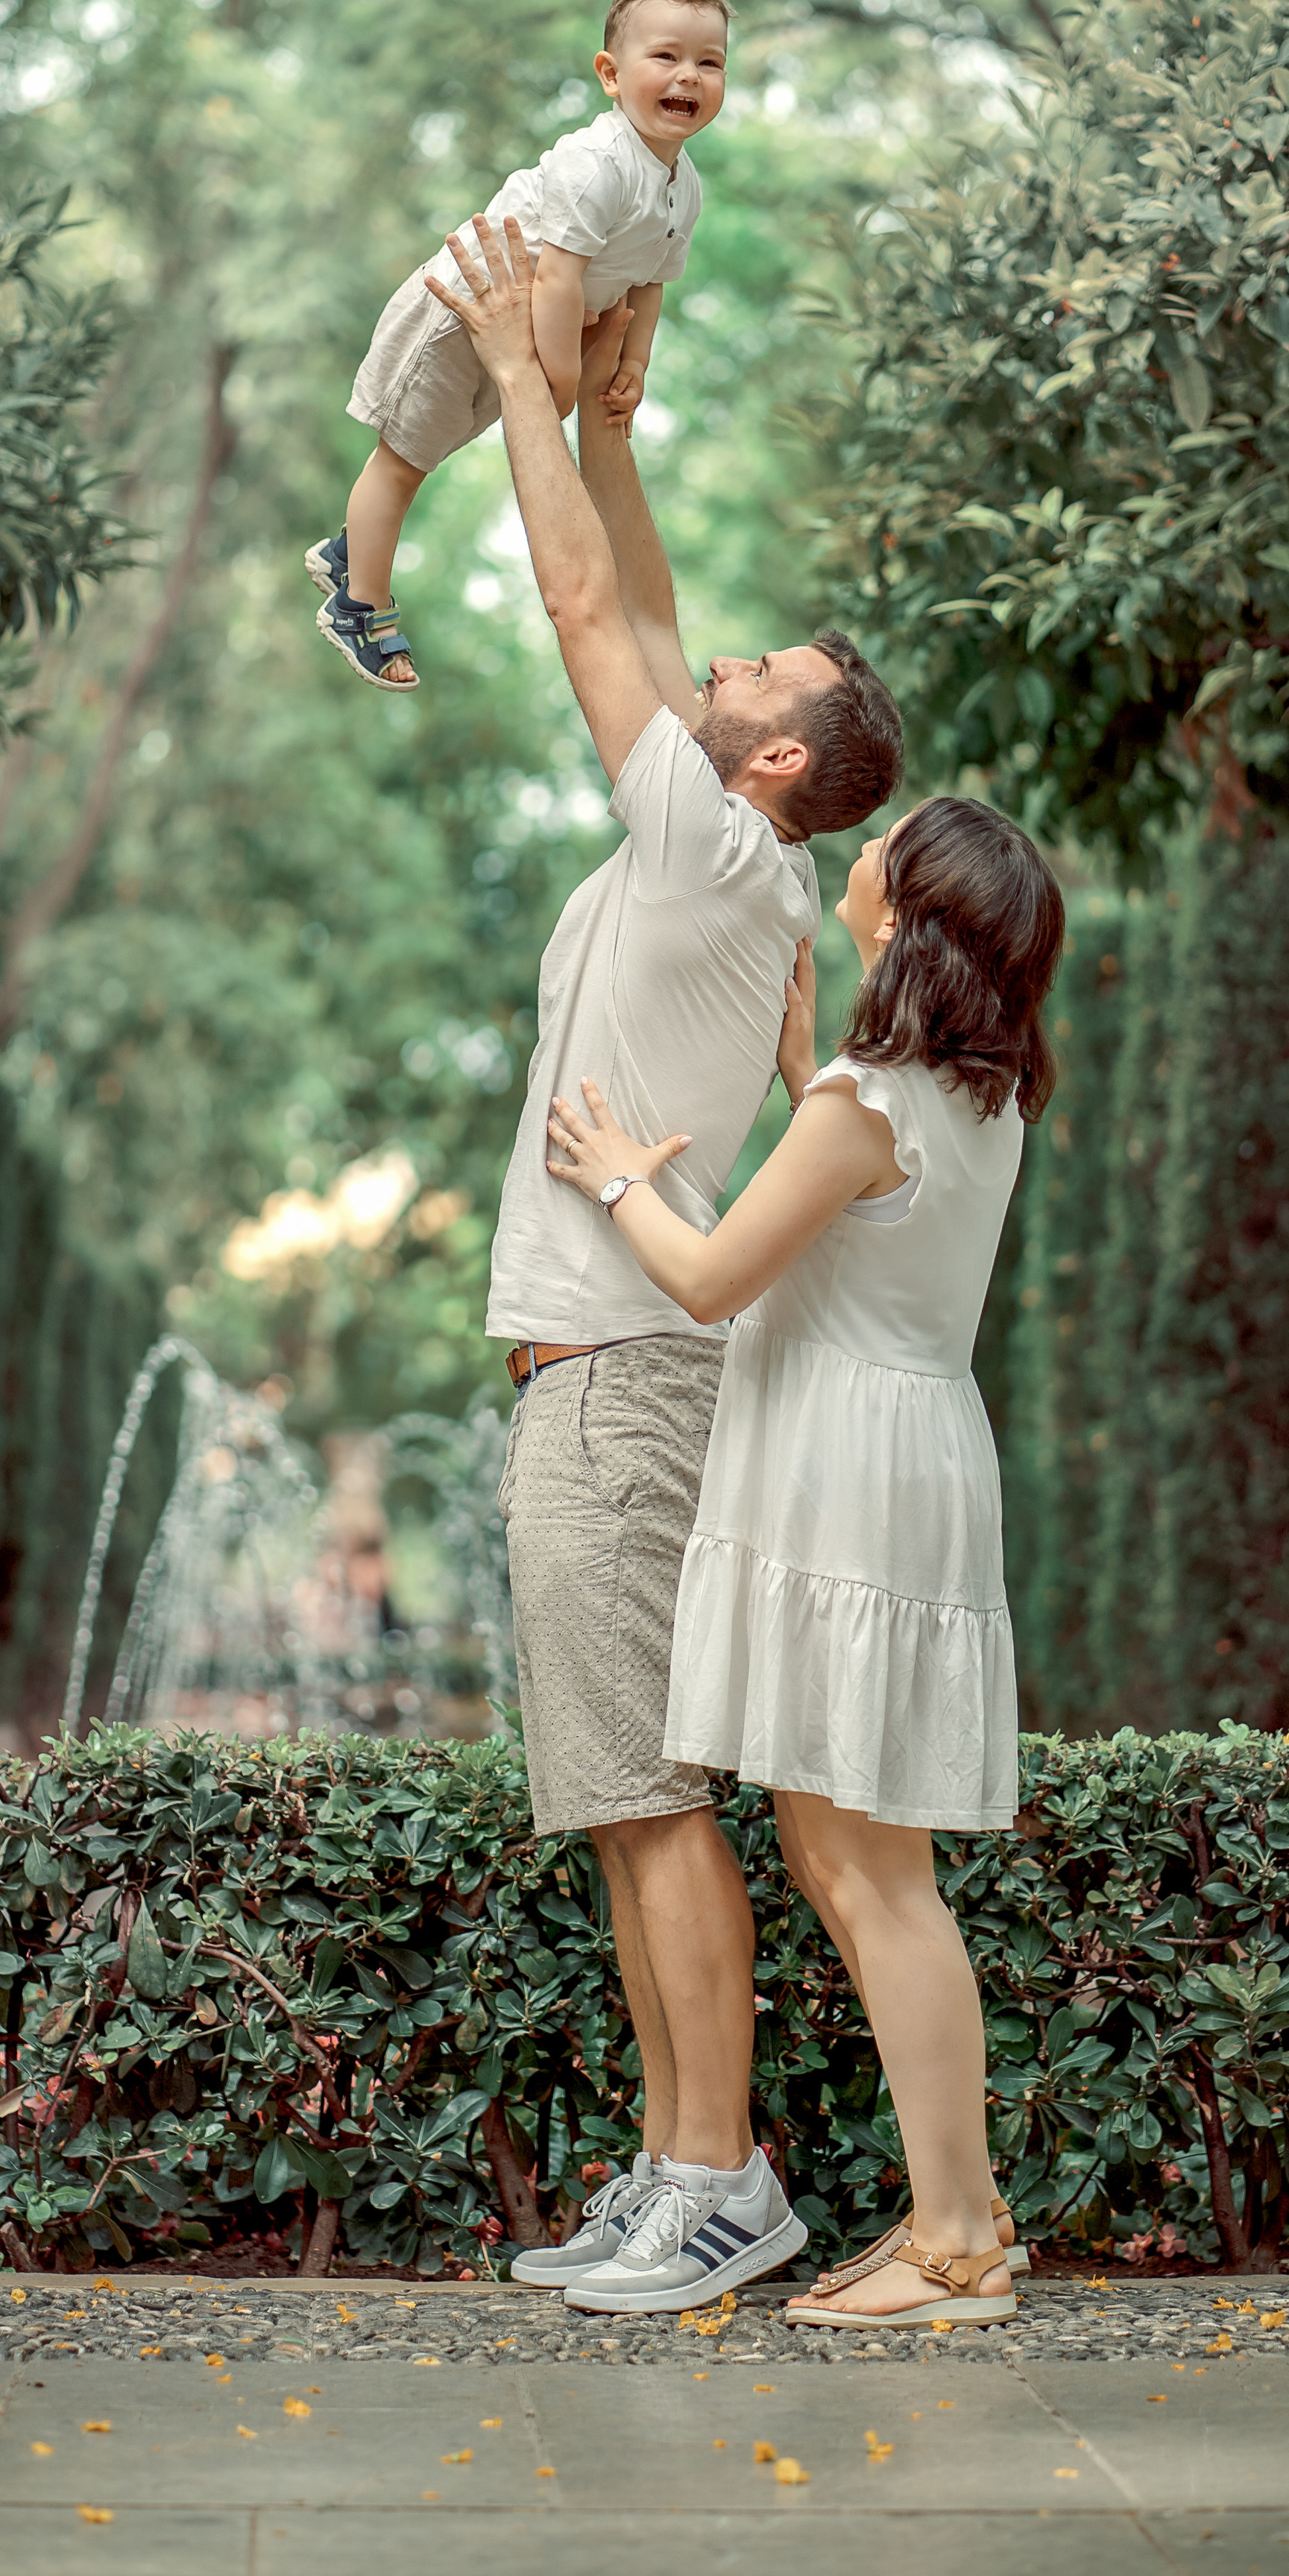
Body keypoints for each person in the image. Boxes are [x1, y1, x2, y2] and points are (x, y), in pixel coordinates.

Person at [420, 209, 904, 2314]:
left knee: (646, 1803)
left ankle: (720, 2181)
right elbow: (649, 584)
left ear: (774, 762)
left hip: (621, 1370)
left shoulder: (712, 845)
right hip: (605, 1368)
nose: (718, 673)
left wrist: (522, 372)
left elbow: (588, 596)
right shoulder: (737, 851)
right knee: (627, 1802)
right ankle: (675, 2167)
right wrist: (614, 413)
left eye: (751, 686)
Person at [546, 792, 1064, 2329]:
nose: (854, 857)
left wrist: (613, 1173)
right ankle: (948, 2226)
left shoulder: (869, 1095)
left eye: (876, 852)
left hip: (837, 1474)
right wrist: (798, 1067)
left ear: (906, 911)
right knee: (857, 1866)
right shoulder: (972, 1094)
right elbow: (856, 1204)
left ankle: (958, 2240)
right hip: (901, 1456)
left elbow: (711, 1277)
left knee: (865, 1873)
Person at [304, 0, 730, 689]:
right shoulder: (599, 163)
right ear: (610, 74)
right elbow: (560, 279)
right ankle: (358, 602)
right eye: (665, 57)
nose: (688, 75)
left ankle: (355, 550)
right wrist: (558, 386)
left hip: (521, 334)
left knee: (426, 454)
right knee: (402, 462)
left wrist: (637, 361)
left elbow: (651, 280)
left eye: (710, 62)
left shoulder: (682, 187)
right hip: (464, 310)